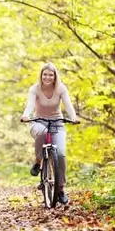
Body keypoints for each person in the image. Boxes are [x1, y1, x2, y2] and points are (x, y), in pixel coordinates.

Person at [20, 62, 78, 204]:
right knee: (41, 132)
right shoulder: (34, 89)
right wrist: (26, 115)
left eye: (50, 74)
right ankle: (38, 161)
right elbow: (30, 105)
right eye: (45, 74)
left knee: (60, 154)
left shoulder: (61, 88)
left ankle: (61, 190)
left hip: (57, 122)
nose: (47, 77)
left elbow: (68, 105)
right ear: (41, 75)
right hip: (39, 121)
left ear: (55, 76)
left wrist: (73, 117)